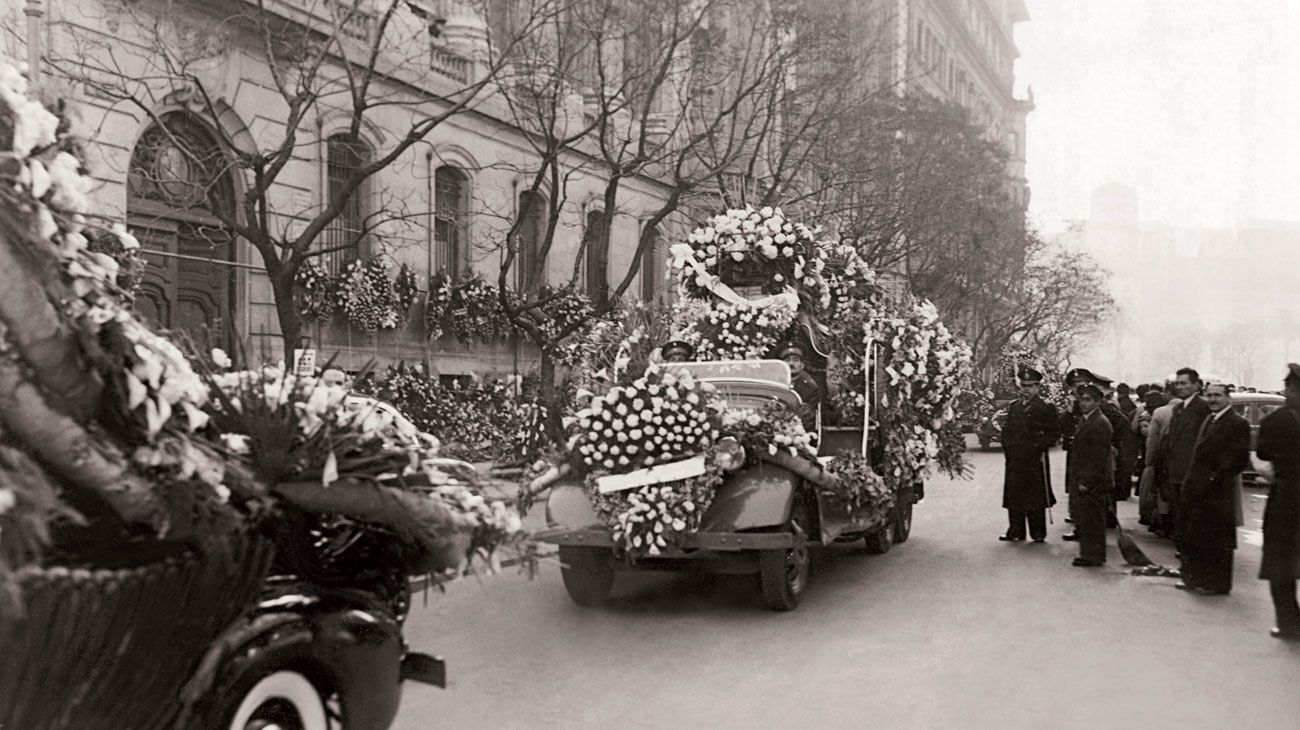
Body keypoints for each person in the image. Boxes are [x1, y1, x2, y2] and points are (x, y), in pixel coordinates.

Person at [1174, 381, 1250, 595]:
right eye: (1209, 395)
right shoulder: (1209, 419)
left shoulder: (1237, 423)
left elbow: (1237, 460)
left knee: (1217, 541)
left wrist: (1213, 481)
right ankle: (1196, 579)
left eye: (1217, 395)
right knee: (1198, 537)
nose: (1212, 400)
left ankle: (1217, 584)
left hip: (1217, 493)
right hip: (1199, 490)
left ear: (1228, 398)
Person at [1254, 364, 1300, 638]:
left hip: (1287, 502)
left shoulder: (1277, 420)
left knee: (1280, 565)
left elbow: (1263, 451)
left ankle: (1289, 624)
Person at [999, 367, 1062, 543]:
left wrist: (1039, 444)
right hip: (1016, 459)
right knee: (1015, 495)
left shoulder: (1046, 408)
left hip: (1035, 460)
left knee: (1035, 496)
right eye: (1024, 386)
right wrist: (1008, 448)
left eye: (1030, 386)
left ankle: (1038, 532)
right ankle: (1016, 531)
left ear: (1037, 387)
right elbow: (1007, 431)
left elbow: (1054, 433)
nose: (1026, 389)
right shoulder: (1014, 407)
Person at [1156, 368, 1210, 553]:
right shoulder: (1179, 408)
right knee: (1180, 511)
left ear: (1196, 385)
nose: (1179, 387)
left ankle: (1191, 551)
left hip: (1192, 470)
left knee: (1191, 513)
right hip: (1177, 470)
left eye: (1184, 383)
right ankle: (1185, 549)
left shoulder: (1203, 408)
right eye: (1177, 383)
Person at [1065, 383, 1112, 566]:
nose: (1083, 403)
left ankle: (1093, 555)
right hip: (1085, 476)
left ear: (1098, 401)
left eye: (1088, 400)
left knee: (1092, 518)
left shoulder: (1099, 423)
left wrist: (1086, 480)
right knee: (1086, 517)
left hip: (1093, 480)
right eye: (1081, 399)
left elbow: (1098, 457)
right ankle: (1089, 553)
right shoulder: (1087, 419)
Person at [779, 341, 822, 431]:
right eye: (787, 360)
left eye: (795, 360)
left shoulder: (811, 389)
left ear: (802, 365)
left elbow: (808, 418)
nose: (791, 364)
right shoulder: (775, 384)